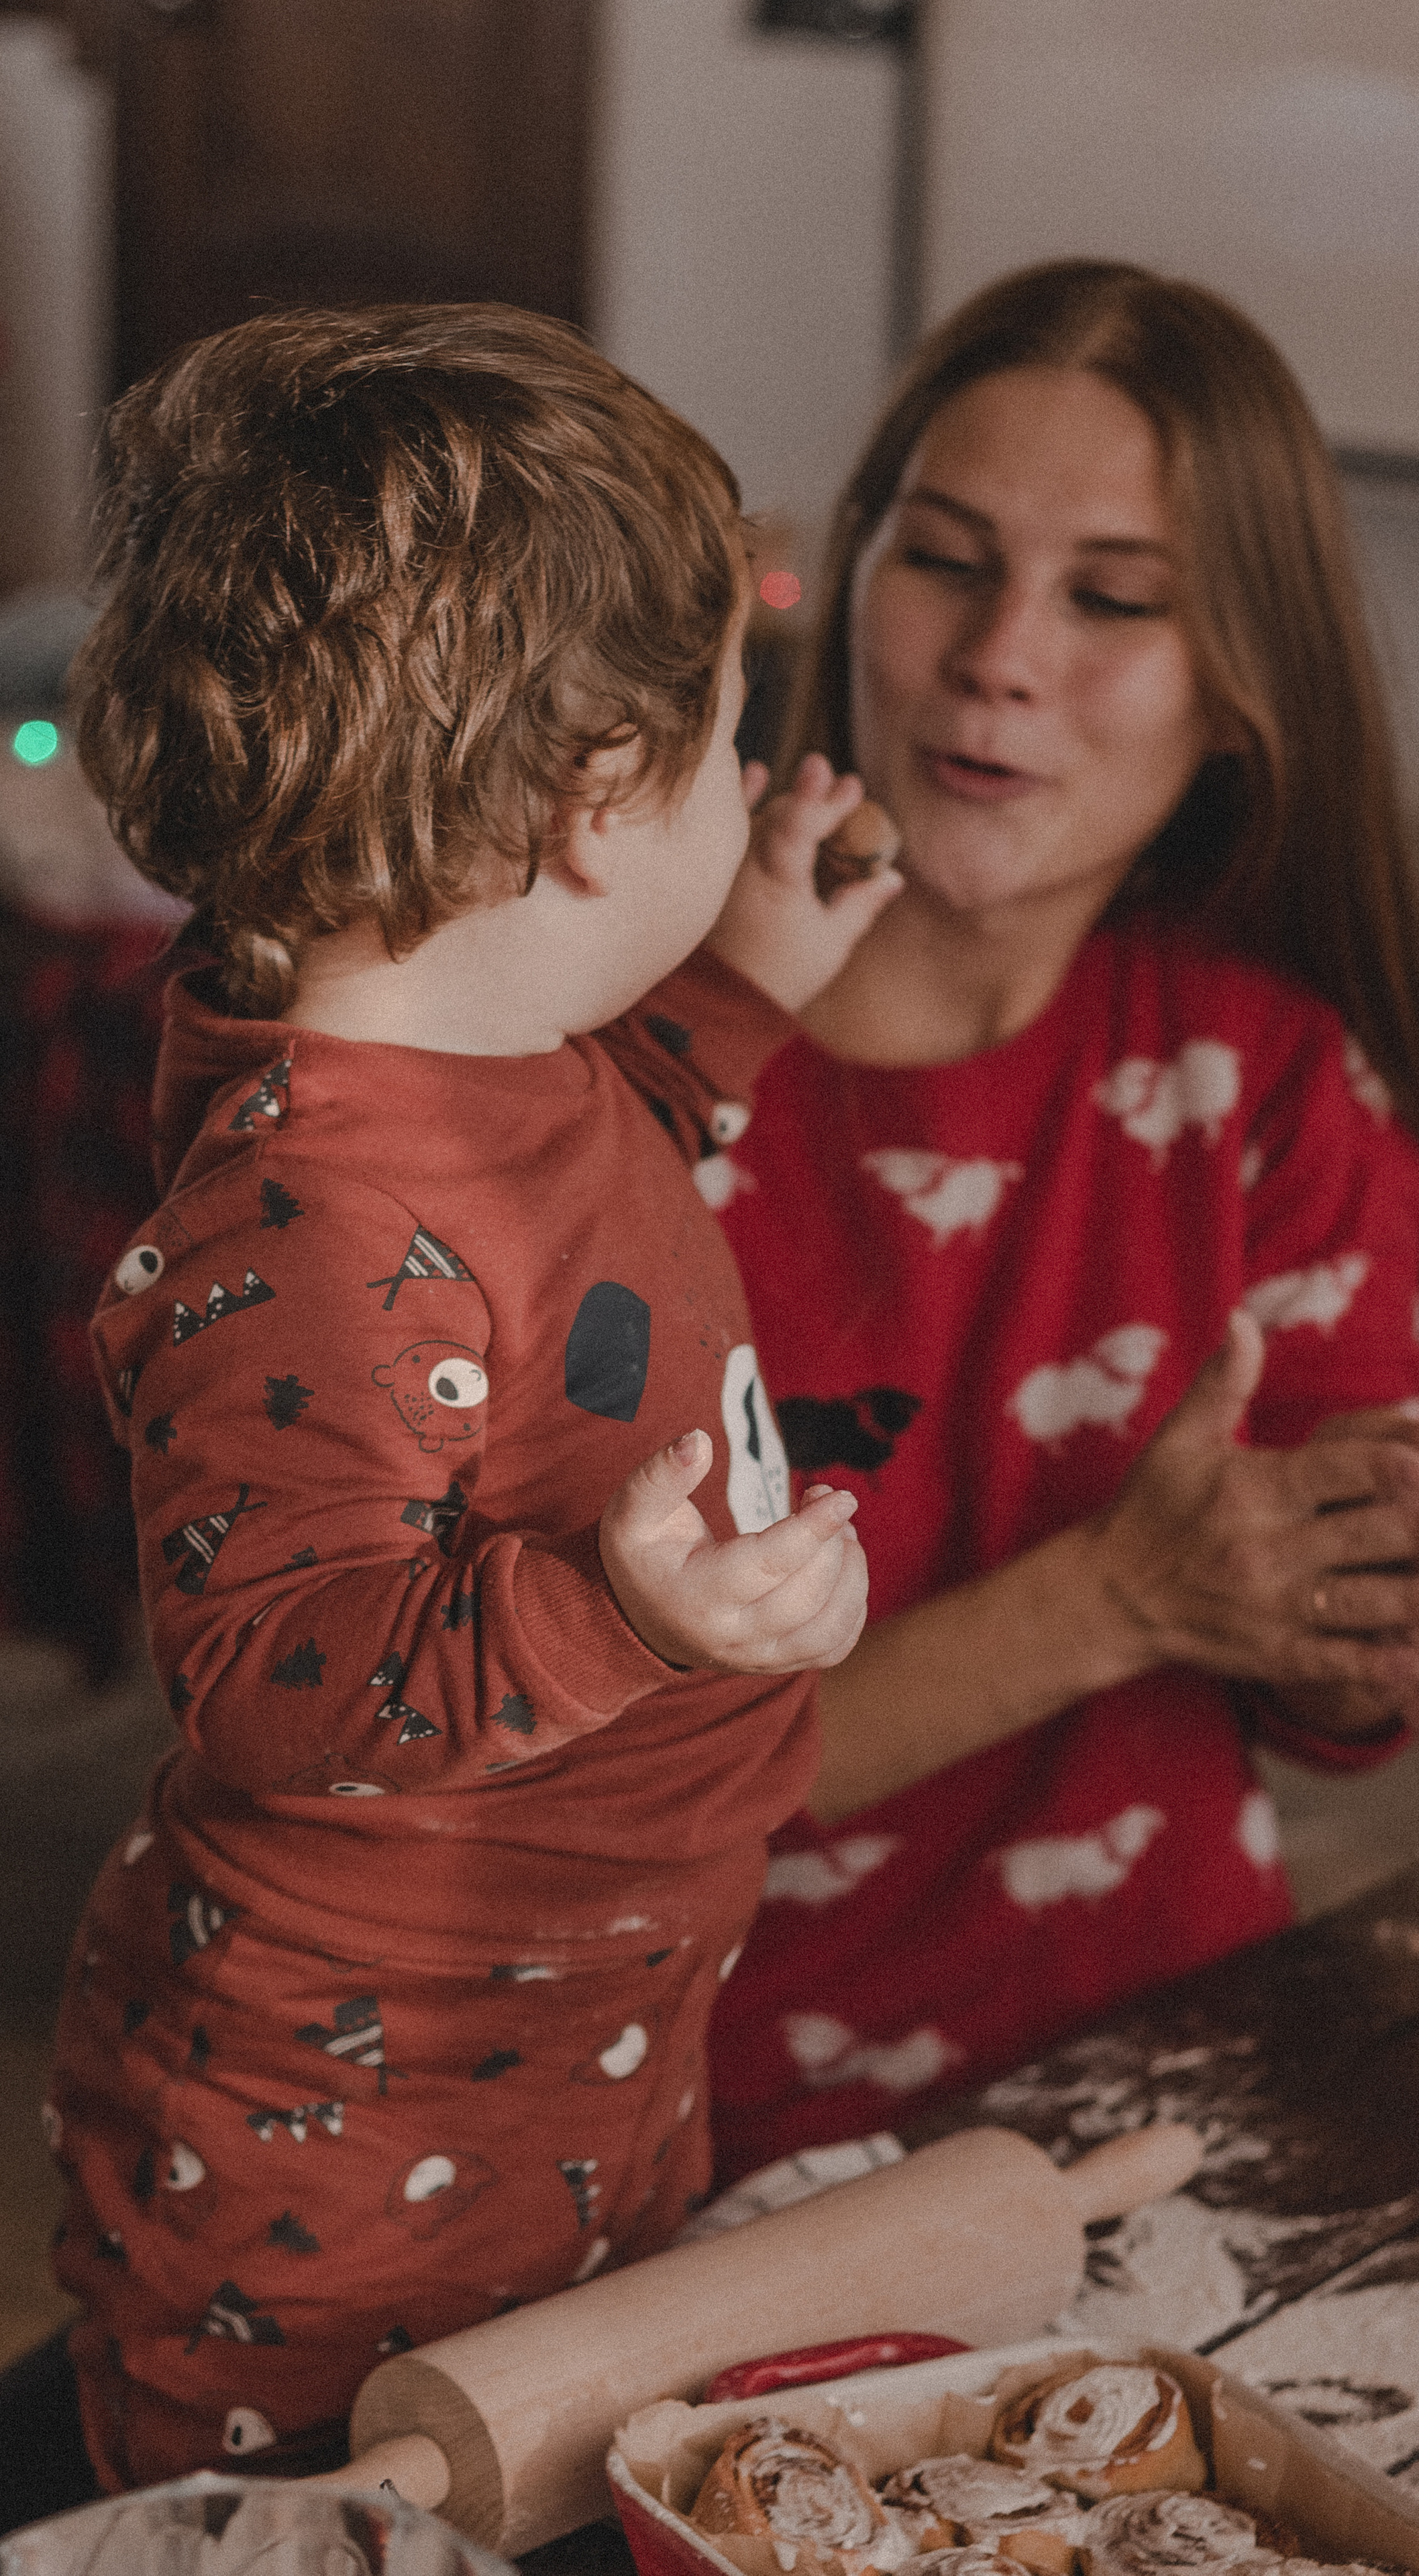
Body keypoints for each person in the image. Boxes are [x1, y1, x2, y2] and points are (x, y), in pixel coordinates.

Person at [44, 303, 901, 2491]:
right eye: (720, 750)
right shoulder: (303, 1227)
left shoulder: (473, 1054)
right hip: (341, 2160)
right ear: (598, 805)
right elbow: (270, 1667)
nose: (738, 786)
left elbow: (567, 1201)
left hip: (581, 2032)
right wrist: (633, 1625)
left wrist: (748, 991)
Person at [704, 260, 1419, 2182]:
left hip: (1144, 2089)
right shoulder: (643, 1064)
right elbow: (587, 1795)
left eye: (1113, 601)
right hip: (666, 2123)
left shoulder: (1275, 1089)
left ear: (1240, 699)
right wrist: (1119, 1595)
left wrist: (1369, 1611)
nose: (1001, 656)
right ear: (853, 578)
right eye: (946, 559)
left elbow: (1314, 1693)